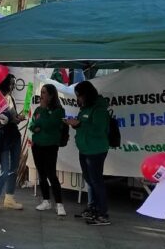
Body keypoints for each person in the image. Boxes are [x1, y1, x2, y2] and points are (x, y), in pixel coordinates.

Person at [64, 80, 111, 226]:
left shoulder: (99, 109)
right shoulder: (85, 108)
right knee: (90, 181)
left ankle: (103, 214)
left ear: (87, 95)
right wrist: (75, 124)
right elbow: (82, 126)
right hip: (84, 149)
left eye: (79, 96)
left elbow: (98, 129)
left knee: (96, 182)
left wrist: (79, 124)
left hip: (96, 150)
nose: (78, 99)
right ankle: (93, 208)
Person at [0, 74, 26, 213]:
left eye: (13, 83)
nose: (13, 86)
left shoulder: (11, 98)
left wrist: (17, 118)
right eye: (10, 83)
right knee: (3, 170)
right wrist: (6, 120)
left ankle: (9, 198)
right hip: (2, 137)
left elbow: (13, 117)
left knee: (13, 168)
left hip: (14, 135)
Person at [28, 84, 67, 216]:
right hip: (37, 145)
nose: (41, 95)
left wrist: (42, 119)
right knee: (41, 174)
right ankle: (46, 200)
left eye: (44, 93)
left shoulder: (59, 111)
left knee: (51, 174)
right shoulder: (38, 110)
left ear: (51, 95)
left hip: (50, 145)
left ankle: (59, 204)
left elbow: (49, 124)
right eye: (41, 93)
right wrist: (36, 127)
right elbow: (33, 125)